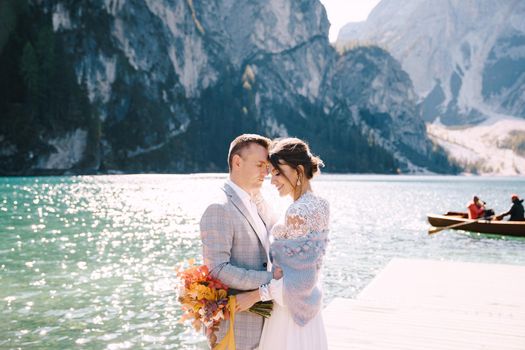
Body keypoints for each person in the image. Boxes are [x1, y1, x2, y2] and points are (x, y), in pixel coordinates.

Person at [236, 137, 329, 350]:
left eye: (277, 173)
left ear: (297, 171)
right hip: (308, 314)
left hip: (288, 318)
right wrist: (253, 194)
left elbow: (297, 284)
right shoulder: (320, 205)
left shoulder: (298, 212)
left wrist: (254, 296)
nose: (272, 180)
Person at [200, 134, 281, 350]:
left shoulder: (262, 204)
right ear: (237, 162)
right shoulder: (219, 208)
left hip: (269, 326)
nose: (266, 173)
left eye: (267, 166)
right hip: (237, 328)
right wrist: (272, 280)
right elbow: (218, 269)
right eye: (260, 165)